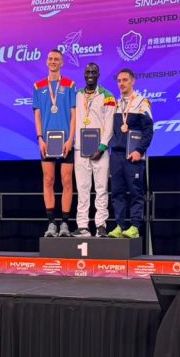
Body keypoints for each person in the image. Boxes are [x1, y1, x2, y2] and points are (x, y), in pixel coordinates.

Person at [33, 49, 77, 237]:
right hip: (47, 141)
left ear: (62, 63)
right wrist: (40, 138)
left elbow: (74, 114)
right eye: (50, 59)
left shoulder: (70, 85)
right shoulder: (38, 86)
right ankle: (51, 223)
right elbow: (37, 115)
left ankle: (65, 224)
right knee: (48, 180)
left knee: (67, 180)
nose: (53, 61)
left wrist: (71, 139)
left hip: (66, 141)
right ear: (46, 62)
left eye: (56, 59)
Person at [107, 68, 154, 239]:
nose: (121, 83)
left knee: (135, 191)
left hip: (133, 155)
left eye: (125, 80)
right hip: (117, 155)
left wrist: (139, 151)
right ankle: (120, 225)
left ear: (133, 81)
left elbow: (148, 130)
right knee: (117, 192)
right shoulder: (116, 104)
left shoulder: (142, 103)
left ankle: (134, 227)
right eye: (119, 80)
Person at [73, 63, 115, 237]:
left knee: (101, 188)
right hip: (80, 149)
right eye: (88, 72)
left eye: (93, 72)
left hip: (100, 150)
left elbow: (110, 124)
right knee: (82, 189)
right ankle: (83, 226)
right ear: (84, 75)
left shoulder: (107, 96)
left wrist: (102, 147)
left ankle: (100, 225)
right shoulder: (77, 95)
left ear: (98, 74)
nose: (90, 74)